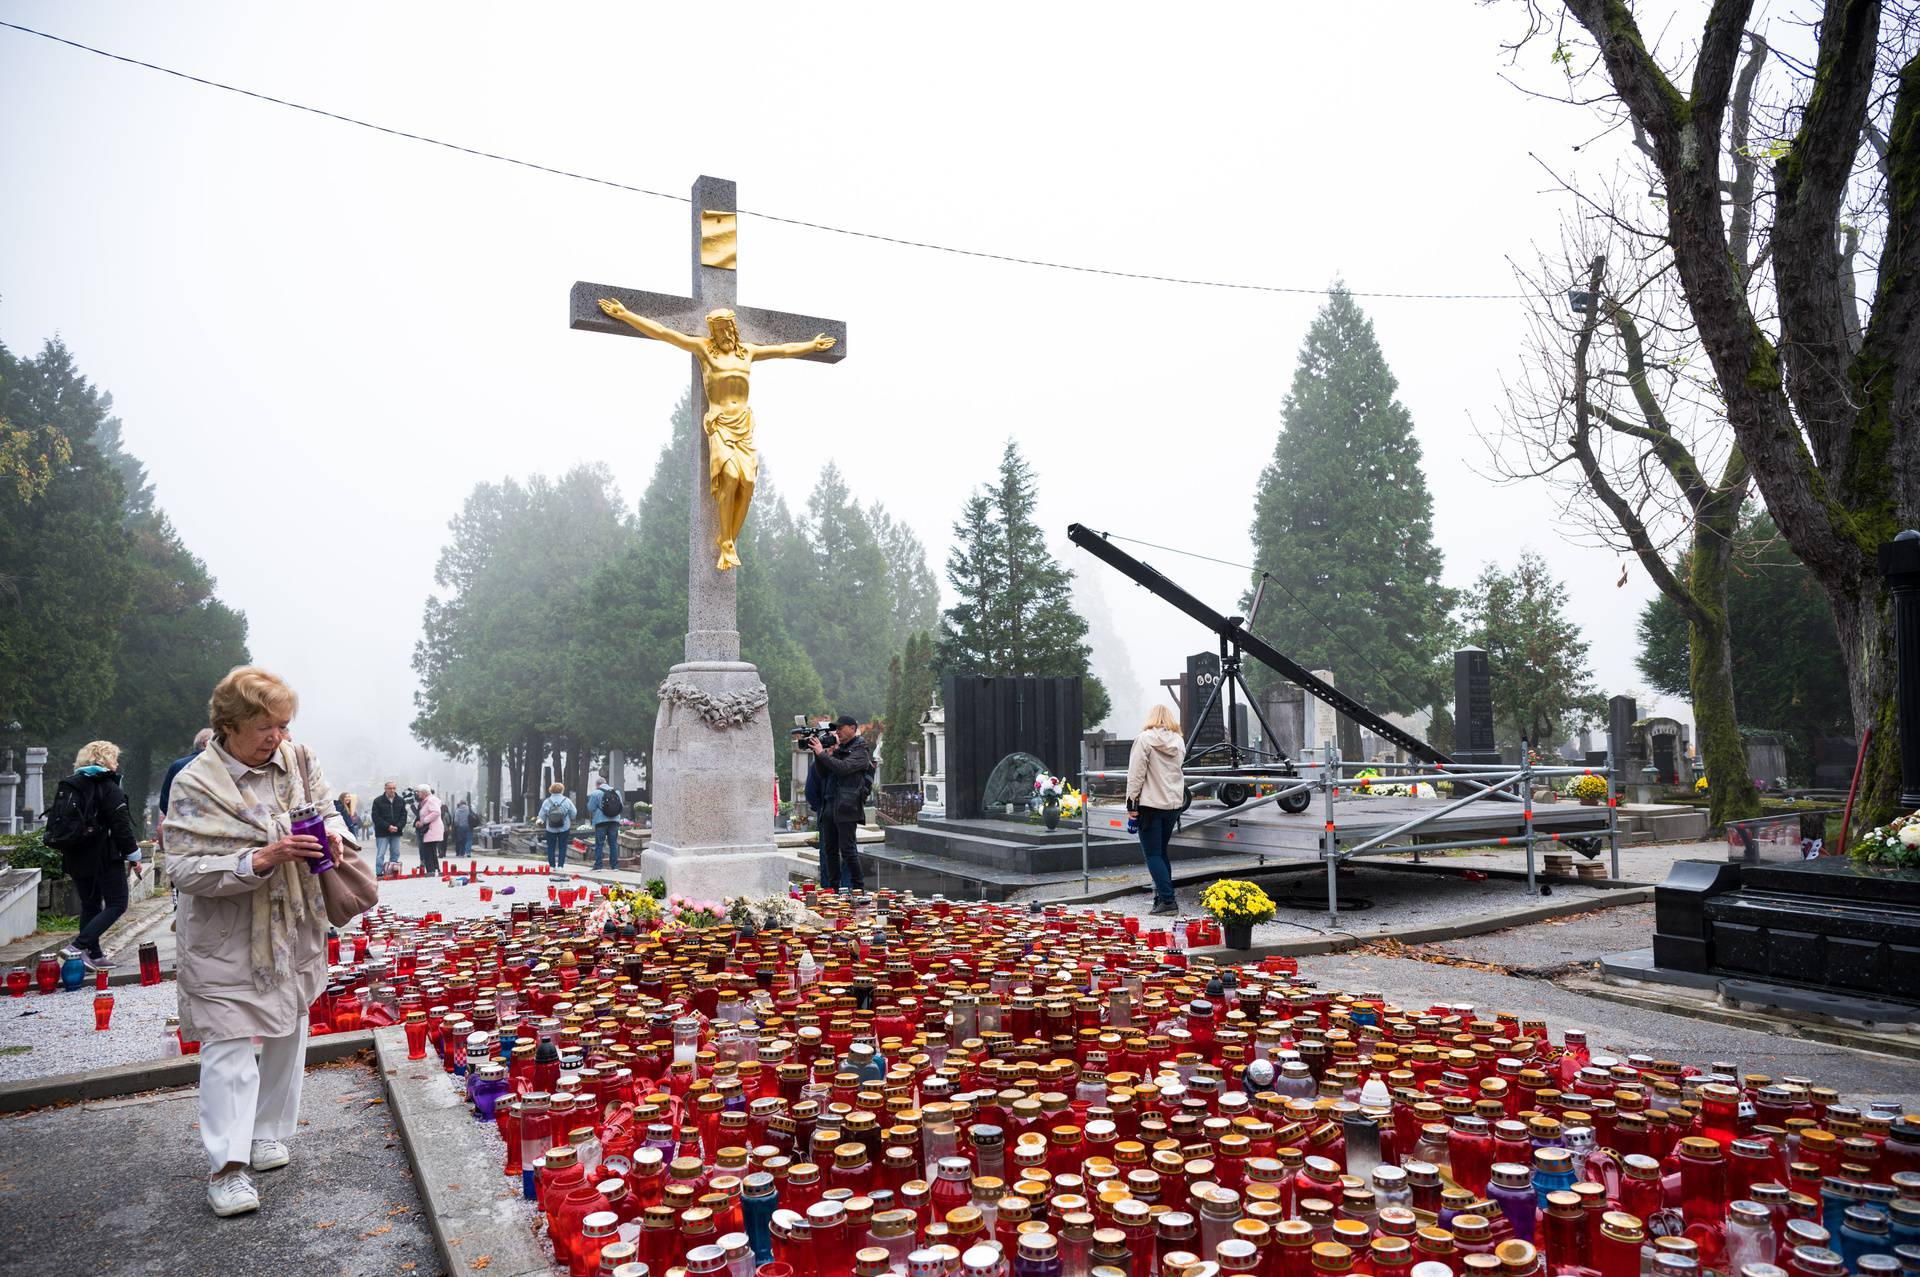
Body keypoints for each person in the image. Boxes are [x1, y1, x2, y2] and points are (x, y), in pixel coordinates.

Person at [162, 665, 361, 1217]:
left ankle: (267, 1132)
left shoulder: (298, 759)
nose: (279, 737)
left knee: (287, 1028)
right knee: (227, 1046)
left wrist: (336, 839)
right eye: (266, 727)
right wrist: (260, 858)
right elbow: (182, 868)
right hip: (225, 935)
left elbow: (326, 810)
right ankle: (226, 1168)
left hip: (292, 925)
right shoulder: (196, 784)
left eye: (284, 724)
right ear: (229, 725)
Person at [52, 741, 140, 968]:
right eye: (114, 758)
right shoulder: (108, 786)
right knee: (117, 903)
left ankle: (95, 955)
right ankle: (78, 947)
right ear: (105, 759)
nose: (117, 763)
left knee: (90, 906)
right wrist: (133, 855)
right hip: (104, 856)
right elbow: (121, 826)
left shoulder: (71, 784)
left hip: (75, 854)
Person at [1127, 704, 1188, 916]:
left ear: (1151, 718)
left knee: (1152, 854)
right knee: (1161, 853)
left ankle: (1168, 902)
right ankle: (1162, 898)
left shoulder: (1144, 739)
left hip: (1150, 804)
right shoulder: (1178, 741)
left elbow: (1136, 774)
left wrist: (1131, 803)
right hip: (1172, 805)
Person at [807, 715, 872, 893]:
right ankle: (833, 889)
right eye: (836, 729)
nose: (838, 732)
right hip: (830, 805)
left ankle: (859, 888)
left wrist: (823, 754)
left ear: (852, 728)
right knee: (830, 850)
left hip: (847, 807)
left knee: (848, 850)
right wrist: (822, 755)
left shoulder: (861, 750)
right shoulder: (837, 749)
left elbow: (843, 769)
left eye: (841, 728)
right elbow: (823, 774)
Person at [158, 728, 215, 847]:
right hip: (212, 830)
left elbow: (165, 801)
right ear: (206, 743)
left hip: (182, 830)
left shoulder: (177, 765)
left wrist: (177, 818)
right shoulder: (217, 766)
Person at [370, 780, 406, 877]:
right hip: (382, 832)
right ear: (385, 789)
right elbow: (376, 817)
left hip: (396, 832)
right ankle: (379, 872)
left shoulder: (401, 800)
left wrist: (398, 827)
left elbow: (404, 816)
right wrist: (388, 826)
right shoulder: (378, 801)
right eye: (390, 788)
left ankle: (392, 870)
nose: (392, 790)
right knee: (380, 854)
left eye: (394, 788)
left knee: (395, 852)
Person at [537, 782, 576, 869]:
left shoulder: (547, 802)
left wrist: (540, 822)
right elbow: (574, 813)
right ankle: (560, 866)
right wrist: (570, 818)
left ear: (551, 790)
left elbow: (541, 816)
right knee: (562, 846)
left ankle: (552, 866)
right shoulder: (567, 800)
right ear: (562, 790)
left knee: (551, 846)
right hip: (564, 827)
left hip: (551, 828)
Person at [587, 776, 622, 871]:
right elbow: (621, 806)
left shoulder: (595, 793)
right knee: (613, 843)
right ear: (606, 783)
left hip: (601, 821)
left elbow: (590, 808)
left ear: (597, 785)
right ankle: (614, 866)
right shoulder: (616, 792)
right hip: (614, 821)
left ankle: (598, 866)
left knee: (599, 843)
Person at [414, 785, 443, 874]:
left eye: (418, 792)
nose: (417, 794)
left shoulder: (431, 800)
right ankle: (435, 869)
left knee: (428, 851)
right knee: (431, 850)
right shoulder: (426, 801)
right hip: (430, 829)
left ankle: (431, 871)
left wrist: (424, 821)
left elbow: (436, 812)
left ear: (424, 792)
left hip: (432, 829)